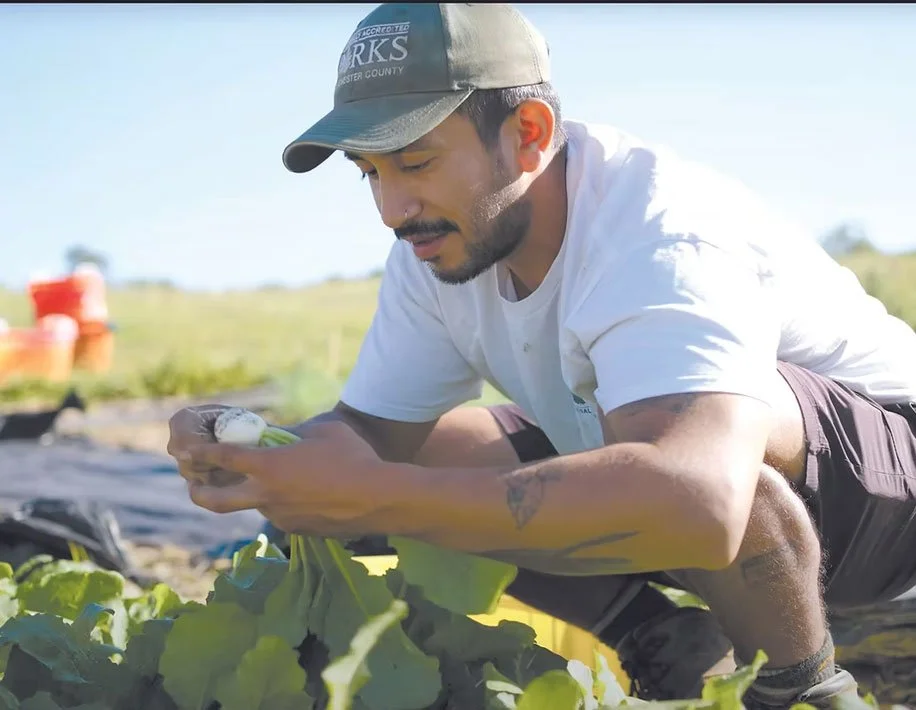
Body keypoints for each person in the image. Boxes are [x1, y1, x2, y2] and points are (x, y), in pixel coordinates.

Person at [166, 3, 916, 707]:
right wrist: (263, 454)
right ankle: (660, 634)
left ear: (528, 131)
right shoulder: (439, 246)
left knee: (704, 437)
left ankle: (804, 687)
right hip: (679, 463)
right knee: (423, 454)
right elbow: (367, 437)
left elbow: (703, 501)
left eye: (416, 163)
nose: (392, 208)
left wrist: (372, 495)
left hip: (887, 503)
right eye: (370, 172)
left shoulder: (658, 232)